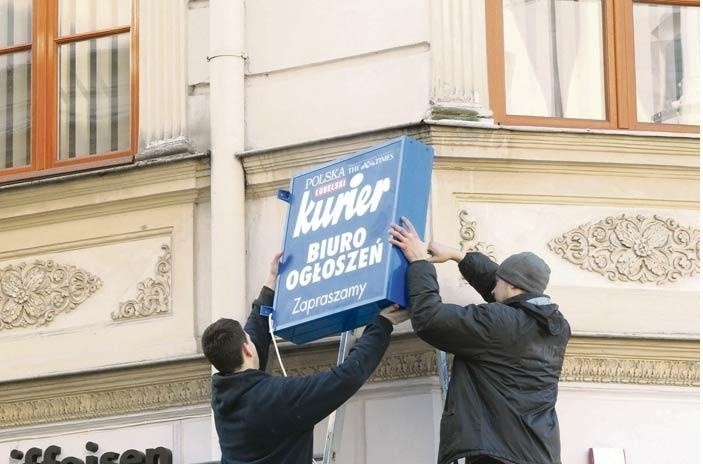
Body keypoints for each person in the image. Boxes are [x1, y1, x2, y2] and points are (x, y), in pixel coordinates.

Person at [389, 217, 570, 464]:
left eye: (498, 283)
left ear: (515, 287)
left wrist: (419, 262)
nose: (492, 289)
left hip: (500, 455)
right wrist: (459, 256)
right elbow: (506, 295)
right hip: (535, 452)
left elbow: (430, 320)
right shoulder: (555, 325)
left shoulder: (502, 324)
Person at [201, 253, 410, 464]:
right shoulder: (280, 398)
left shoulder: (222, 400)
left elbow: (255, 329)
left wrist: (270, 281)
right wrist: (383, 323)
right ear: (247, 349)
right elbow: (347, 376)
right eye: (248, 340)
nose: (252, 338)